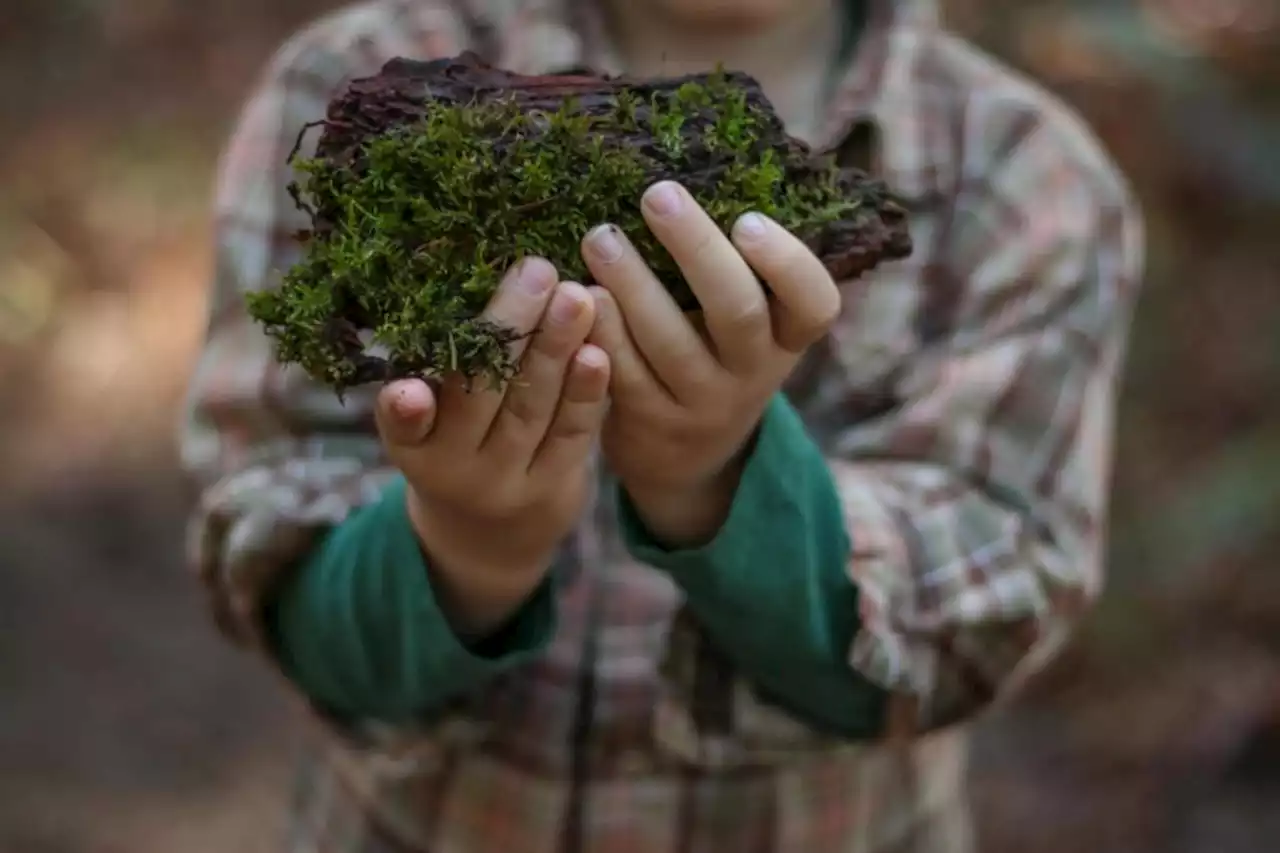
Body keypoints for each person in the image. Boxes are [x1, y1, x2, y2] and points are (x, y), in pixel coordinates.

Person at [179, 0, 1144, 850]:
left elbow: (971, 629)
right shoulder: (347, 77)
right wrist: (468, 543)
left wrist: (720, 476)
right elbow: (273, 567)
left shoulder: (1030, 184)